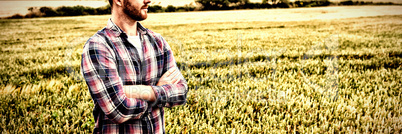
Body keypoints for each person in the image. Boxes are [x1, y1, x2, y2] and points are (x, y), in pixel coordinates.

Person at [80, 0, 188, 133]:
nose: (148, 0)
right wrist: (160, 93)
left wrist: (138, 91)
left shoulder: (157, 41)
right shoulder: (98, 46)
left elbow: (181, 93)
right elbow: (118, 109)